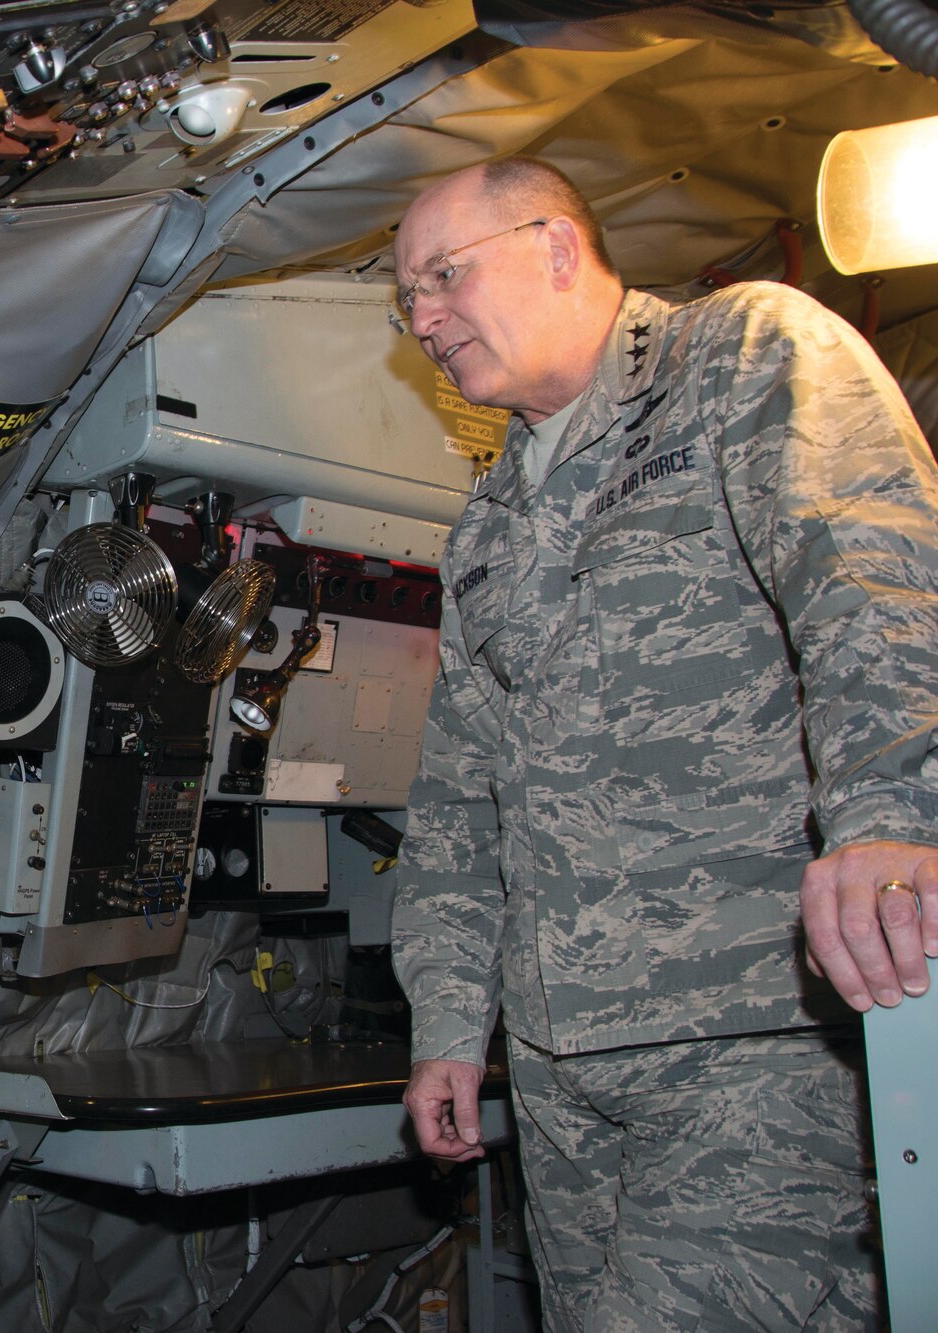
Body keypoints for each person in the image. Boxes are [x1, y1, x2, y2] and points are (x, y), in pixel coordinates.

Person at [389, 156, 938, 1331]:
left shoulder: (741, 357)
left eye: (441, 276)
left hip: (752, 1032)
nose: (423, 319)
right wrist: (447, 1026)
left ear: (554, 247)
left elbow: (871, 587)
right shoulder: (484, 525)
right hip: (559, 1070)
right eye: (406, 301)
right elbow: (456, 802)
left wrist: (892, 820)